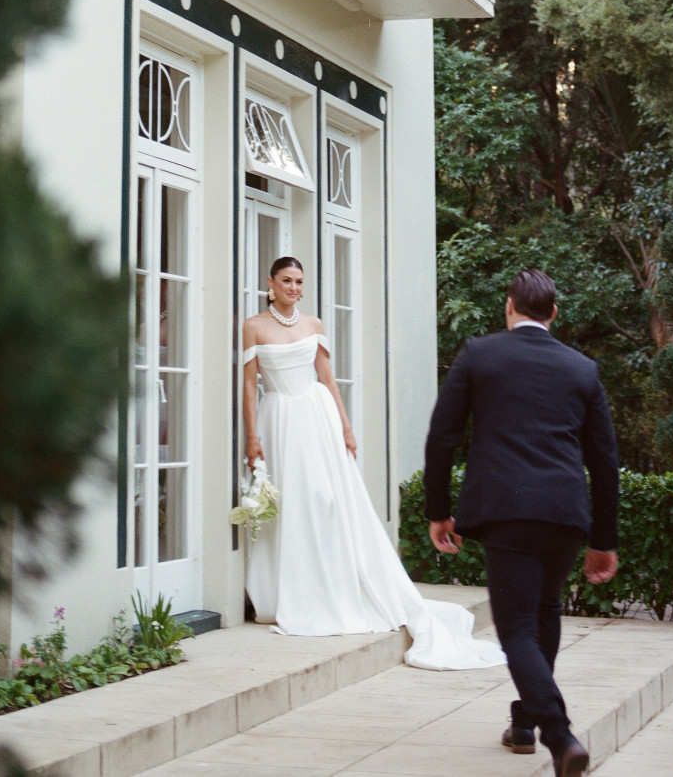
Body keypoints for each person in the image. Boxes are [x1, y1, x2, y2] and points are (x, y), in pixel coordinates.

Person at [242, 256, 505, 670]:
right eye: (287, 281)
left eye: (299, 282)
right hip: (278, 420)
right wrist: (252, 436)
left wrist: (346, 427)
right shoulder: (254, 326)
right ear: (270, 283)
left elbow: (327, 379)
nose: (294, 288)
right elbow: (248, 384)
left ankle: (333, 587)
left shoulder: (314, 325)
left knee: (326, 501)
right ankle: (284, 594)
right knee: (290, 503)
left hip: (317, 418)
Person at [423, 268, 620, 777]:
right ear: (553, 313)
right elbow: (604, 462)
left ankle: (558, 733)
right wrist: (604, 540)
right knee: (544, 610)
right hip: (564, 512)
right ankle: (525, 723)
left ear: (509, 307)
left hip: (506, 508)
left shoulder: (479, 354)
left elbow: (442, 437)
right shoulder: (583, 370)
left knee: (515, 627)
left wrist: (437, 511)